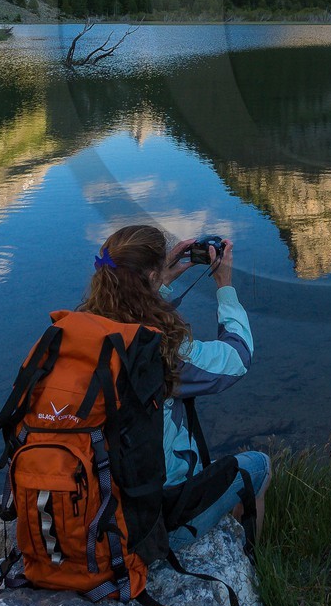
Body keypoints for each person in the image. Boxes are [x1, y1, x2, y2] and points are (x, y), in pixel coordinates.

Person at [76, 222, 270, 550]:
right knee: (259, 466)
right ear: (151, 276)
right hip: (153, 519)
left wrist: (159, 284)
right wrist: (224, 286)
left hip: (95, 504)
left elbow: (130, 309)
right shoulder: (160, 352)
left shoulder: (82, 329)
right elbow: (236, 359)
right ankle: (252, 562)